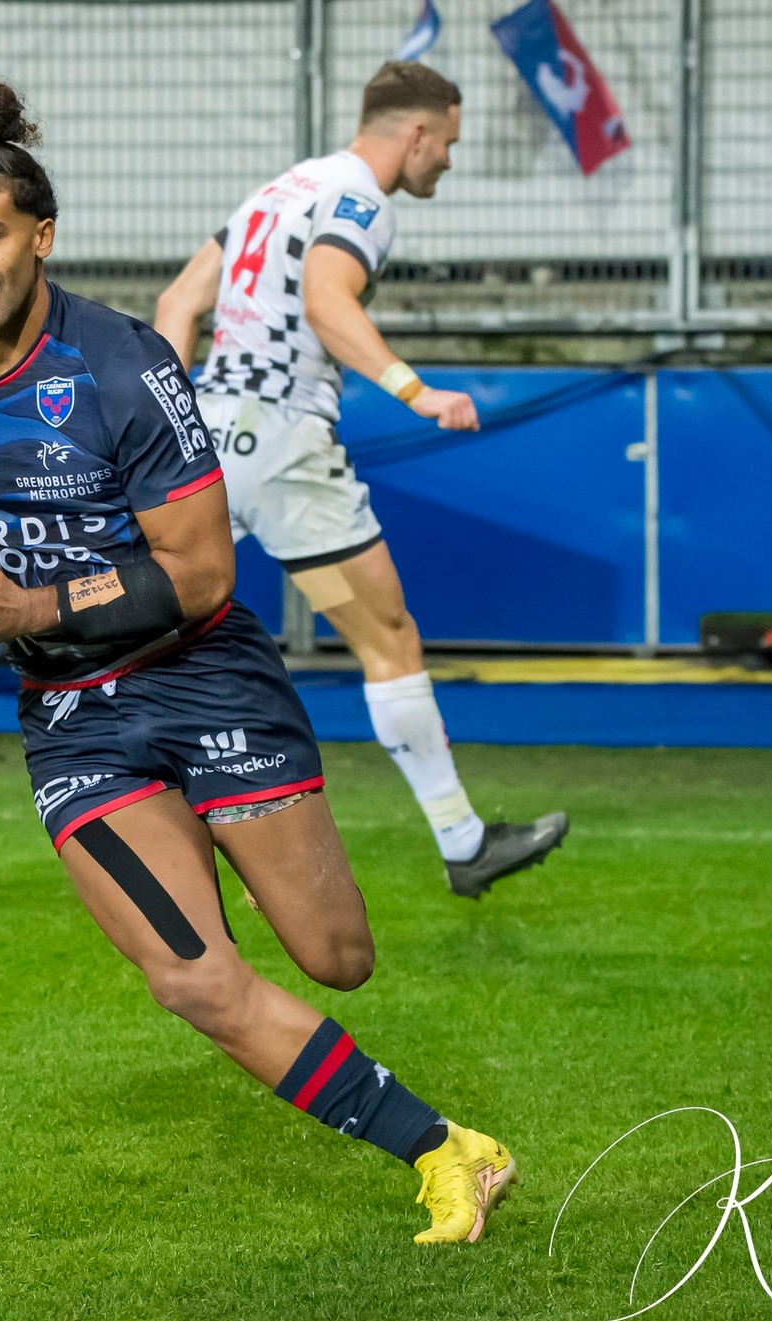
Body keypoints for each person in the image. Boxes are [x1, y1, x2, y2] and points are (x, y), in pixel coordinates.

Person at [0, 74, 519, 1245]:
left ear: (41, 235)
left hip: (200, 675)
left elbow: (199, 575)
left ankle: (222, 837)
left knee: (335, 959)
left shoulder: (125, 367)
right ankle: (448, 1151)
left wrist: (26, 597)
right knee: (193, 979)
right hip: (74, 719)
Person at [153, 61, 567, 896]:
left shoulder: (276, 190)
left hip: (212, 434)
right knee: (389, 638)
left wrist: (174, 427)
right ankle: (462, 840)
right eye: (447, 142)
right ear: (415, 133)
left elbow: (177, 303)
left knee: (138, 615)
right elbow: (327, 300)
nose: (448, 160)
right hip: (285, 443)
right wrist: (418, 391)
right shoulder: (360, 199)